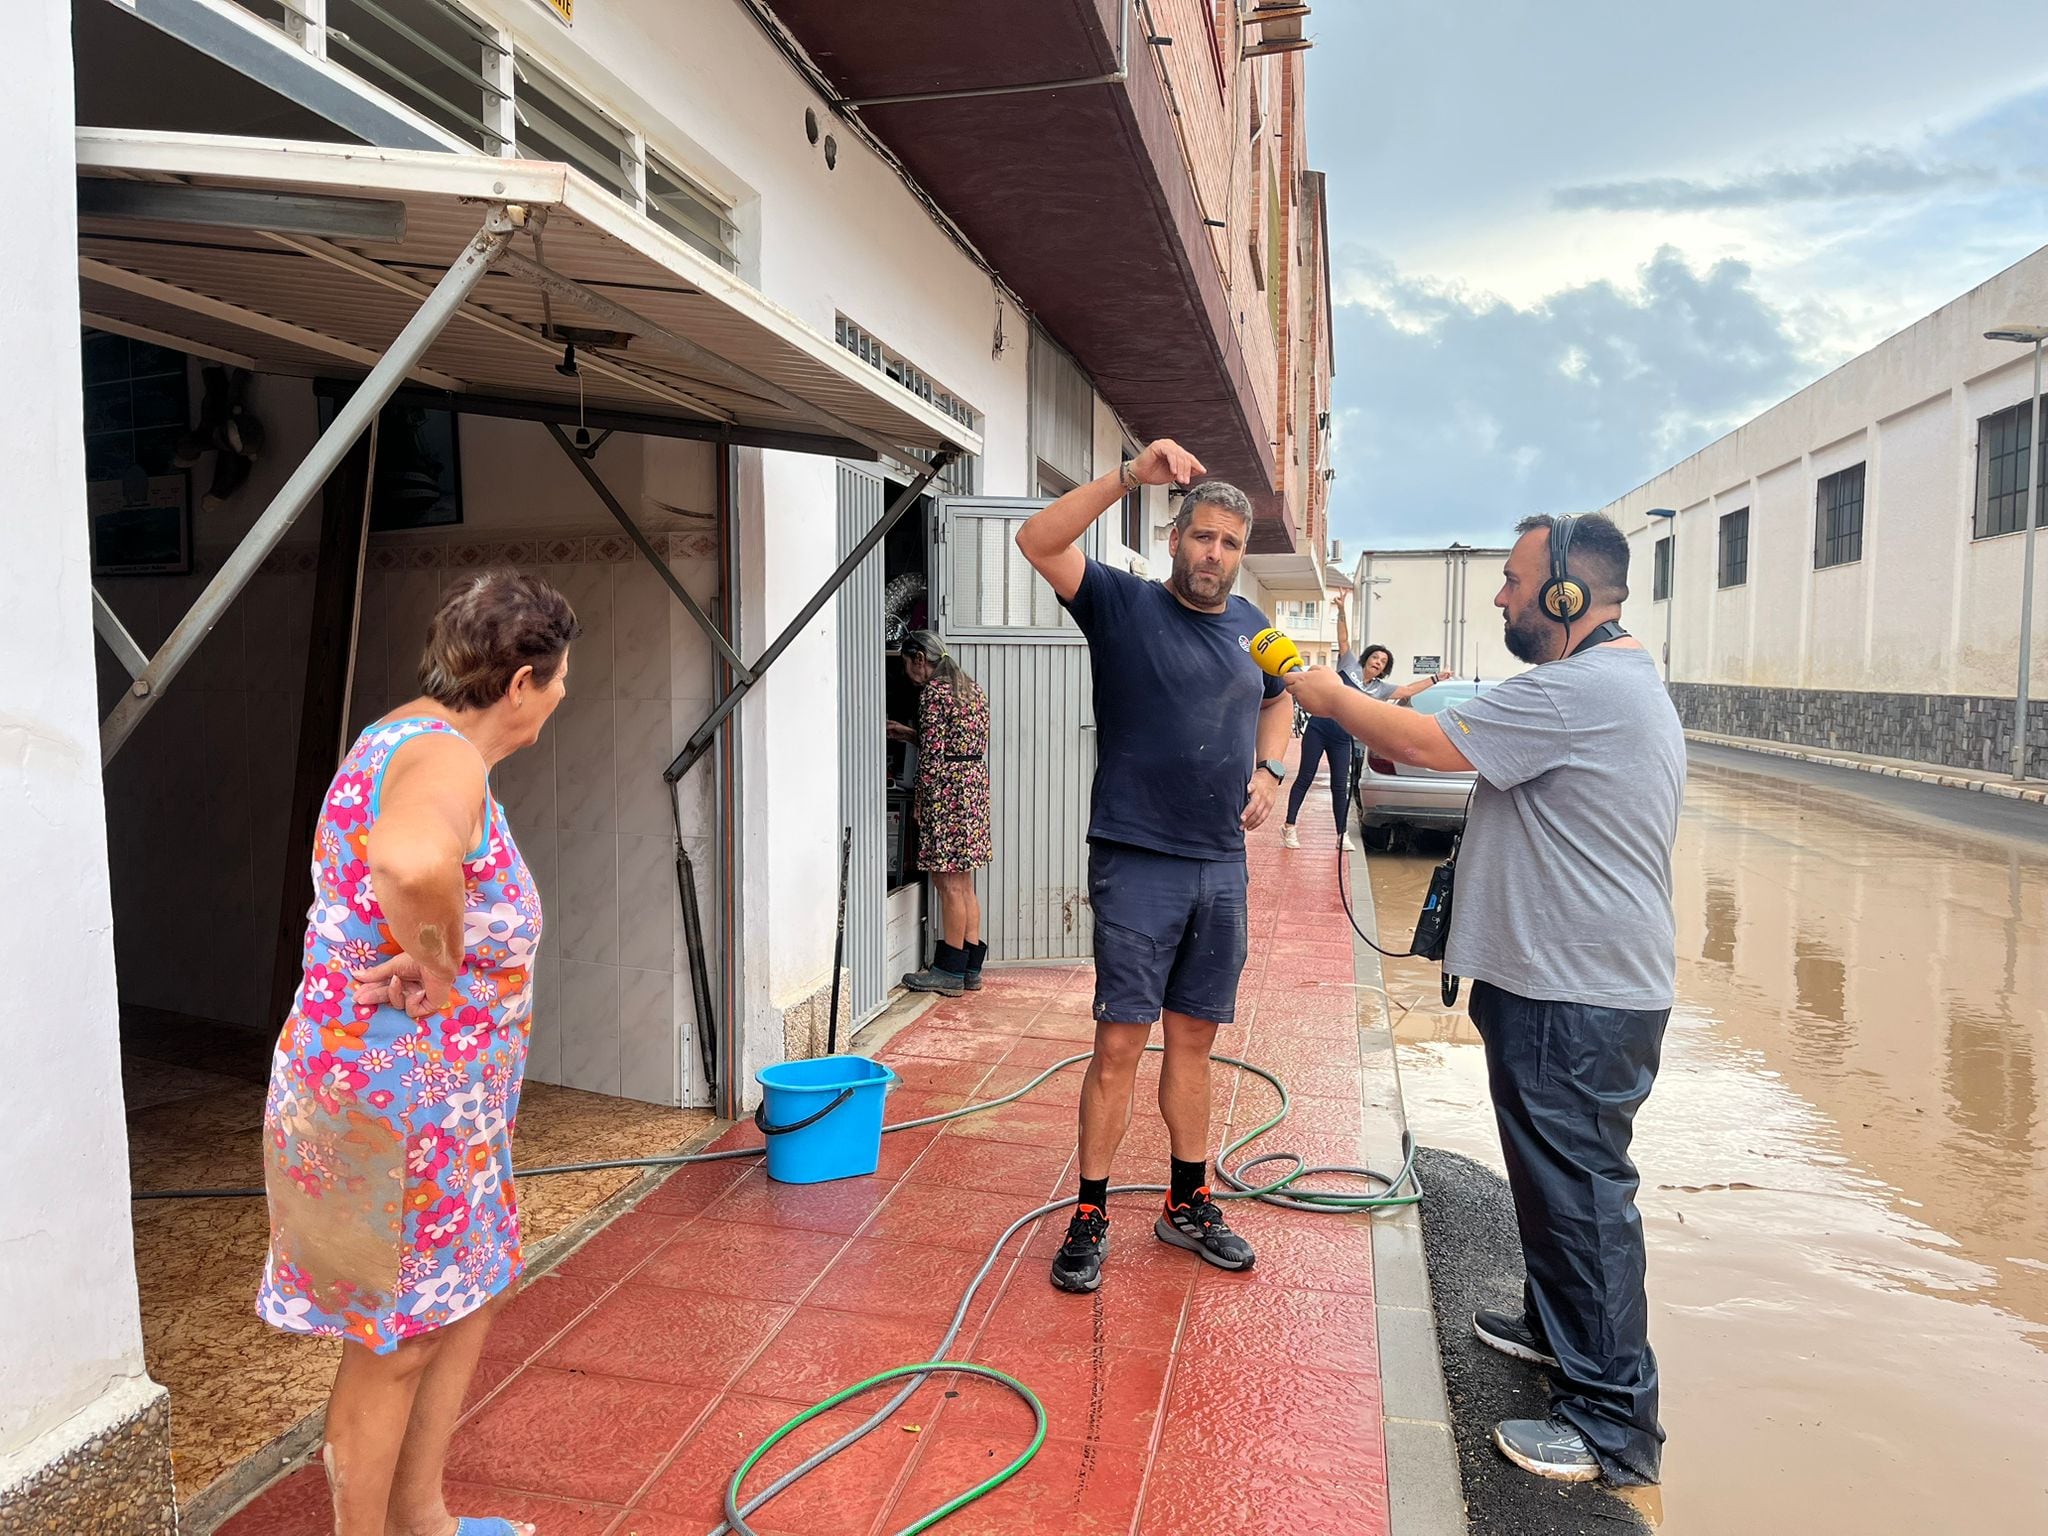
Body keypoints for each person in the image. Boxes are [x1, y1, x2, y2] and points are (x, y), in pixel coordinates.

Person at [1283, 513, 1682, 1488]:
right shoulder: (1606, 685)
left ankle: (1611, 1430)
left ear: (1562, 598)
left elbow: (1418, 743)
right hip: (1558, 987)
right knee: (1552, 1185)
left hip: (1573, 998)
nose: (1501, 597)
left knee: (1583, 1197)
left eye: (1513, 581)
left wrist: (1324, 691)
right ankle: (1556, 1333)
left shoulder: (1578, 690)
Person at [257, 569, 578, 1536]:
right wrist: (437, 967)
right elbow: (408, 859)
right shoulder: (442, 760)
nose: (563, 698)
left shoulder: (407, 736)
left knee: (466, 1295)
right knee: (392, 1340)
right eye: (560, 680)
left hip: (443, 1114)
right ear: (521, 683)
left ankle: (424, 1520)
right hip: (396, 1115)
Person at [1014, 439, 1292, 1294]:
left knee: (1195, 1042)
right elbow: (1037, 541)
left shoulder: (1255, 629)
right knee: (1118, 1043)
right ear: (1176, 537)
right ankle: (1091, 1209)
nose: (1215, 556)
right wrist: (1129, 475)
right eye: (1203, 537)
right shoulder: (1123, 605)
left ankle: (1186, 1200)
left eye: (1231, 545)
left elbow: (1286, 700)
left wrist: (1271, 769)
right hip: (1138, 858)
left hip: (1220, 864)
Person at [1280, 598, 1449, 851]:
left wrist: (1437, 678)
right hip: (1319, 728)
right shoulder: (1349, 665)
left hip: (1343, 737)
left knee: (1341, 783)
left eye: (1383, 661)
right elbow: (1343, 639)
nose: (1378, 661)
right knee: (1305, 776)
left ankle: (1341, 835)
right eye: (1375, 657)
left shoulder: (1380, 689)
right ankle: (1289, 826)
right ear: (1367, 658)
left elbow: (1407, 689)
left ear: (1383, 670)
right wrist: (1341, 610)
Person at [890, 630, 994, 996]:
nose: (908, 674)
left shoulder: (934, 694)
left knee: (946, 882)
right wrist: (910, 733)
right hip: (971, 790)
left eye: (907, 665)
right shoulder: (970, 688)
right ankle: (970, 968)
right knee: (963, 881)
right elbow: (957, 743)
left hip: (945, 793)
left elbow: (934, 755)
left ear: (920, 658)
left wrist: (920, 801)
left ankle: (948, 970)